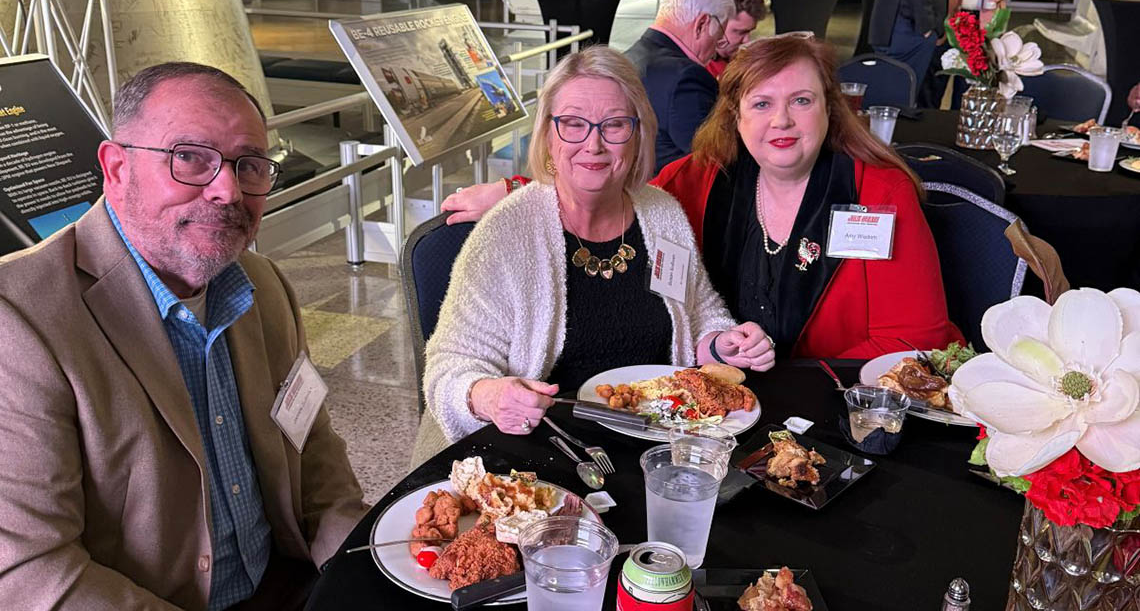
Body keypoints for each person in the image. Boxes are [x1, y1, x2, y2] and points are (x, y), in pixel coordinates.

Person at [0, 63, 368, 610]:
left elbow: (310, 447)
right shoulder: (19, 320)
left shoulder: (263, 286)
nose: (227, 191)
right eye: (190, 157)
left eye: (250, 165)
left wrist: (364, 569)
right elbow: (31, 571)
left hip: (284, 580)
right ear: (117, 167)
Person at [414, 46, 775, 463]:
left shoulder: (662, 214)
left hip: (661, 443)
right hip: (547, 451)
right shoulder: (506, 234)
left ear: (639, 134)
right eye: (573, 124)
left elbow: (699, 314)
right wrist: (487, 396)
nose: (594, 144)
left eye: (615, 124)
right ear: (548, 135)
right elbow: (449, 365)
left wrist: (721, 344)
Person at [655, 35, 964, 359]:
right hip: (717, 384)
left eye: (801, 101)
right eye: (762, 104)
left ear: (829, 107)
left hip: (843, 385)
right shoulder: (689, 183)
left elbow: (912, 339)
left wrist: (803, 385)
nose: (782, 120)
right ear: (735, 115)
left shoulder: (881, 195)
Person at [625, 0, 735, 173]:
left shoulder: (627, 58)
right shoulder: (687, 77)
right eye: (719, 37)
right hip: (670, 190)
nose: (715, 52)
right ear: (702, 24)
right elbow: (716, 160)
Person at [869, 0, 948, 106]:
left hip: (890, 23)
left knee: (886, 97)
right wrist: (926, 26)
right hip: (907, 28)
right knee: (899, 100)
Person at [706, 0, 768, 79]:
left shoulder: (744, 62)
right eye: (740, 32)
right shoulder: (696, 66)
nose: (747, 40)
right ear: (718, 22)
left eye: (749, 31)